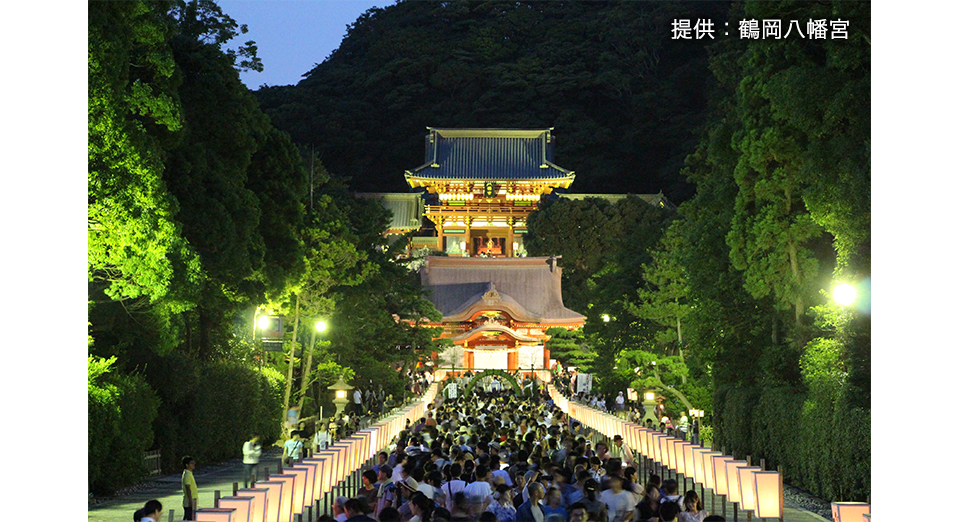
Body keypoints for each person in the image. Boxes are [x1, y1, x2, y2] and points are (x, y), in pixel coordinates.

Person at [181, 456, 198, 521]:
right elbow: (188, 488)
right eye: (191, 463)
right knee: (189, 518)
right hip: (189, 502)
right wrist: (190, 501)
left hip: (193, 501)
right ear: (187, 465)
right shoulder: (187, 474)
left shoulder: (189, 473)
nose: (193, 464)